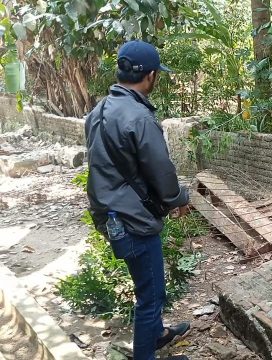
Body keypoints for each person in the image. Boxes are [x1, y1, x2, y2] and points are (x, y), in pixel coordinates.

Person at [84, 40, 191, 360]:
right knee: (151, 297)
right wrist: (177, 199)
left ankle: (157, 334)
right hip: (133, 219)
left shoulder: (98, 111)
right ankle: (147, 350)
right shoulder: (139, 117)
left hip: (110, 215)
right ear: (150, 76)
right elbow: (160, 170)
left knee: (146, 286)